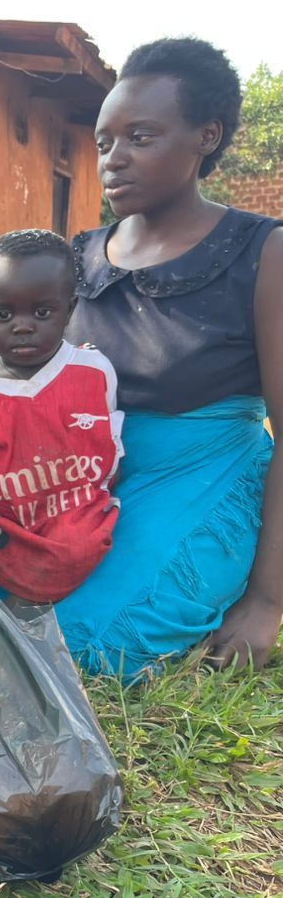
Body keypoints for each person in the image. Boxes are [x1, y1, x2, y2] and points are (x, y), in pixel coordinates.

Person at [57, 38, 281, 679]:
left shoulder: (262, 254)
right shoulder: (80, 256)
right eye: (103, 142)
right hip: (89, 482)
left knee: (85, 646)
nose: (113, 159)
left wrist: (267, 602)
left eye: (141, 137)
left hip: (203, 479)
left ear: (205, 136)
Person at [0, 230, 123, 604]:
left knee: (99, 563)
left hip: (72, 520)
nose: (22, 325)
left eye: (42, 312)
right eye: (4, 314)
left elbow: (107, 441)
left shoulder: (94, 372)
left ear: (70, 309)